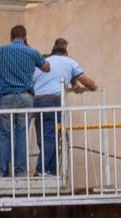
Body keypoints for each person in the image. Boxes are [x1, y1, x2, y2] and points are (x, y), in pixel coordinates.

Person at [0, 25, 52, 178]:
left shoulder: (1, 50)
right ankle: (20, 171)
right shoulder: (32, 52)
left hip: (7, 97)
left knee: (4, 135)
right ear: (24, 36)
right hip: (26, 97)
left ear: (11, 36)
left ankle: (1, 172)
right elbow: (47, 68)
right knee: (21, 134)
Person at [32, 39, 97, 176]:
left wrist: (74, 84)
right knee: (52, 137)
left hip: (36, 101)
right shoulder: (69, 62)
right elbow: (87, 81)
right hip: (53, 101)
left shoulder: (42, 63)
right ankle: (41, 169)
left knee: (43, 138)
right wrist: (93, 87)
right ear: (65, 53)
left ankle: (51, 171)